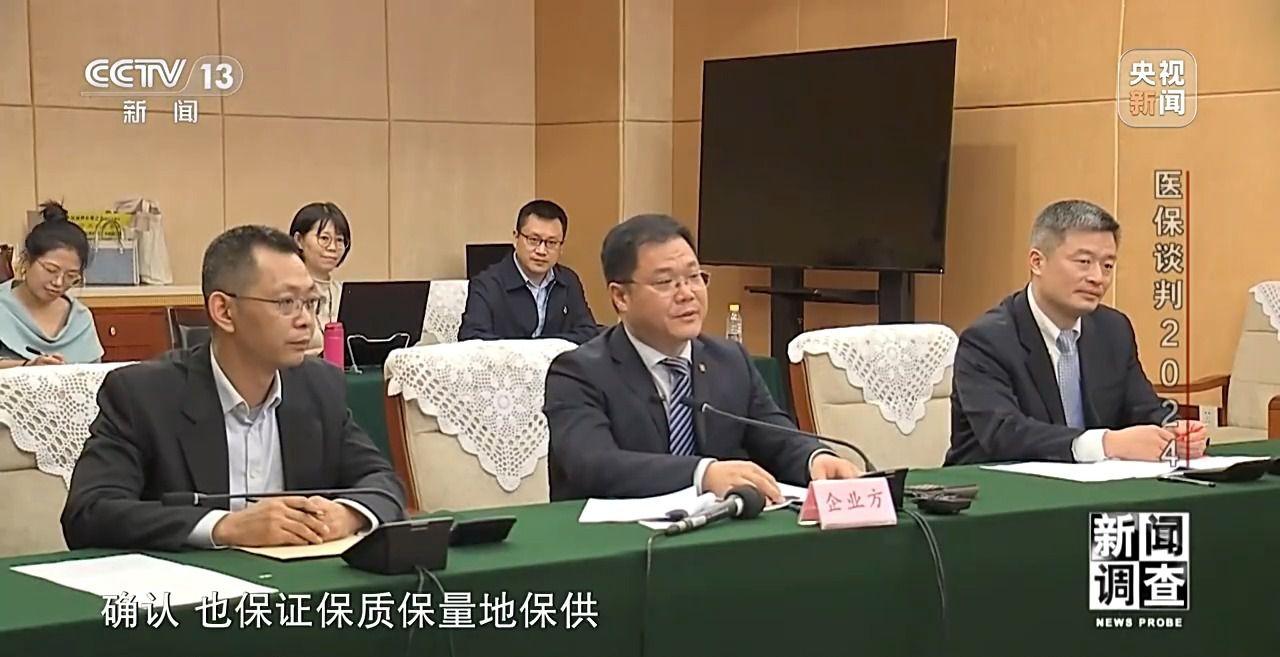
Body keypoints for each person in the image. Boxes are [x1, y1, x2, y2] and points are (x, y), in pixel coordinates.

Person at [61, 225, 404, 550]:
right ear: (224, 311)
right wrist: (224, 527)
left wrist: (346, 514)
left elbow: (382, 481)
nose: (306, 321)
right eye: (286, 303)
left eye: (310, 303)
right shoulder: (143, 395)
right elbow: (89, 512)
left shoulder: (319, 387)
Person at [543, 213, 861, 502]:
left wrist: (815, 458)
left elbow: (775, 435)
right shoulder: (578, 372)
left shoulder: (730, 360)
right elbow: (594, 465)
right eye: (665, 282)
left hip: (715, 534)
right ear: (621, 297)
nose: (687, 294)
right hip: (613, 538)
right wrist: (702, 474)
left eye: (694, 277)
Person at [947, 200, 1208, 465]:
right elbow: (1004, 433)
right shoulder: (987, 340)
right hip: (996, 483)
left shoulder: (1113, 329)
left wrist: (1174, 429)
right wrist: (1105, 443)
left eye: (1107, 266)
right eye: (1084, 262)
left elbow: (1141, 406)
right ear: (1037, 262)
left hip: (1094, 481)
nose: (1098, 277)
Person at [459, 200, 599, 344]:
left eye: (551, 243)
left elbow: (588, 332)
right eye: (533, 240)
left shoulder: (568, 281)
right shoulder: (486, 284)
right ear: (516, 238)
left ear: (561, 246)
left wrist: (544, 347)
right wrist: (530, 350)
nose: (541, 251)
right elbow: (472, 337)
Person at [0, 201, 103, 368]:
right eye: (50, 270)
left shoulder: (80, 319)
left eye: (71, 276)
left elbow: (93, 375)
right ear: (26, 261)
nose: (58, 283)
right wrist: (26, 367)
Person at [289, 202, 351, 355]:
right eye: (324, 238)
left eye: (339, 240)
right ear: (299, 240)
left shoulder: (345, 293)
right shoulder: (285, 292)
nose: (332, 247)